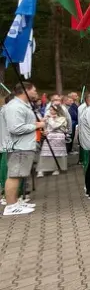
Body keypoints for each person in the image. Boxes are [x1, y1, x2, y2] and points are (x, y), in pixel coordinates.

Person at [2, 83, 44, 216]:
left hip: (23, 145)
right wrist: (36, 126)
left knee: (18, 175)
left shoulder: (20, 105)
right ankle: (11, 205)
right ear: (26, 90)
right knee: (14, 175)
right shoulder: (15, 107)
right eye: (34, 90)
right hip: (18, 146)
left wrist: (36, 125)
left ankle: (15, 201)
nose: (36, 92)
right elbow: (15, 128)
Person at [37, 96, 69, 176]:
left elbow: (54, 126)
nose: (50, 111)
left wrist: (50, 119)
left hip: (58, 137)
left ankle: (56, 168)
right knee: (45, 154)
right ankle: (41, 169)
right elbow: (44, 126)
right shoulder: (48, 117)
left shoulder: (62, 118)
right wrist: (44, 129)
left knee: (57, 154)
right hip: (49, 137)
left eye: (52, 110)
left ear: (57, 110)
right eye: (50, 110)